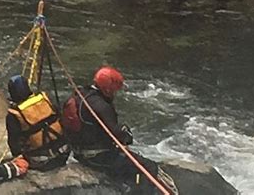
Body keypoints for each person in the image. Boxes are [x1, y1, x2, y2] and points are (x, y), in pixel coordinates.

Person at [61, 66, 177, 194]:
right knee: (148, 167)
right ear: (108, 90)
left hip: (79, 153)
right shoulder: (102, 107)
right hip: (97, 157)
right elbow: (119, 135)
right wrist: (126, 133)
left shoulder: (79, 95)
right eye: (114, 91)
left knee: (126, 167)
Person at [5, 75, 70, 171]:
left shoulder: (14, 114)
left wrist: (18, 157)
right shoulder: (45, 100)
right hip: (64, 153)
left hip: (41, 161)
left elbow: (14, 143)